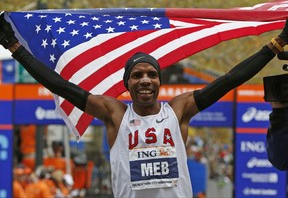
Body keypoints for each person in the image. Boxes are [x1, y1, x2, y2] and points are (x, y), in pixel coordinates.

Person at [1, 12, 288, 198]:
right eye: (137, 75)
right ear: (127, 84)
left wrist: (275, 44)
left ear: (159, 82)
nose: (145, 80)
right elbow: (61, 86)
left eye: (152, 74)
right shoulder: (114, 114)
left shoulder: (178, 110)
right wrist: (15, 48)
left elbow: (229, 79)